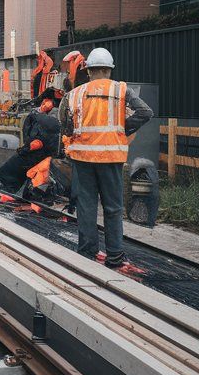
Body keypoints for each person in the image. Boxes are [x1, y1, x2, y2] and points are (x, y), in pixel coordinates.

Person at [58, 47, 152, 269]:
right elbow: (146, 113)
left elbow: (64, 125)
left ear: (89, 71)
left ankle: (87, 252)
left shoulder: (75, 94)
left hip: (83, 159)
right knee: (113, 208)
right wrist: (122, 129)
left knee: (87, 206)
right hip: (111, 158)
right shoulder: (121, 91)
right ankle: (115, 256)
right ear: (109, 70)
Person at [0, 98, 60, 195]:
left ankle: (12, 191)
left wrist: (24, 150)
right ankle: (15, 191)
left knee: (4, 173)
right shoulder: (49, 123)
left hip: (34, 156)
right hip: (41, 155)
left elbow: (34, 143)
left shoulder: (39, 121)